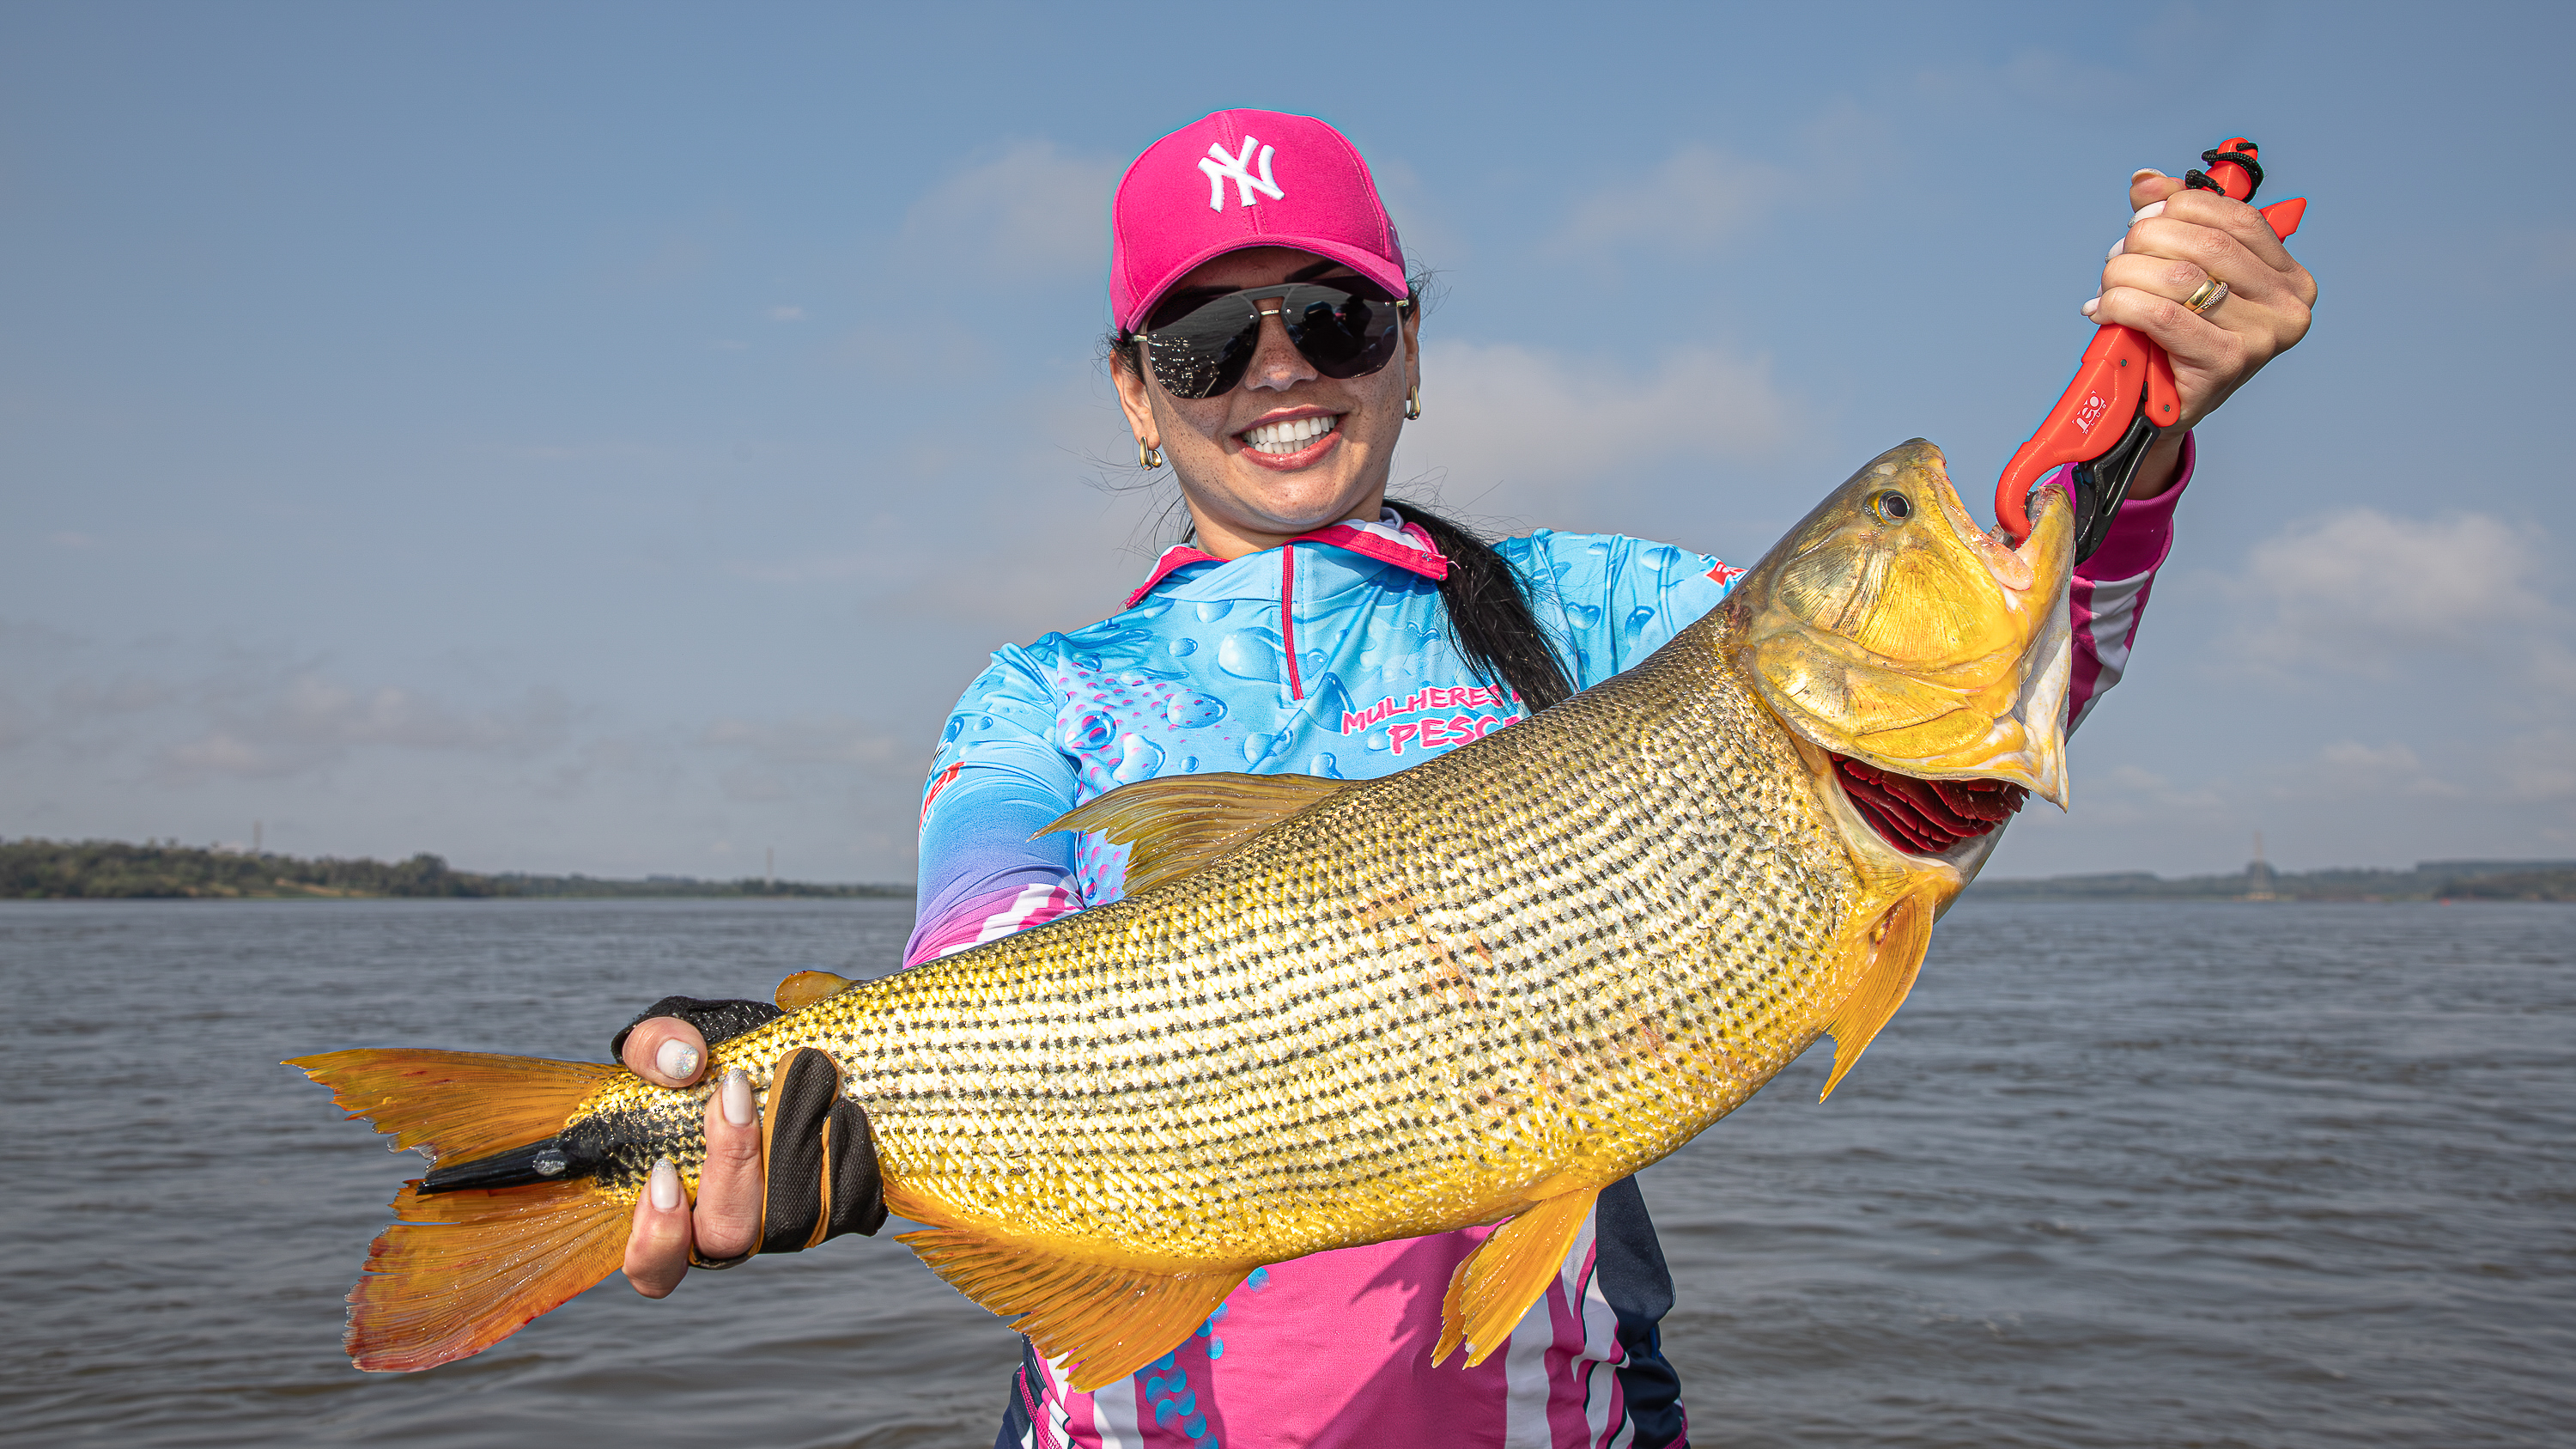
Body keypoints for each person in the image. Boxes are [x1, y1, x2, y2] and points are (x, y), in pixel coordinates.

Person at [610, 110, 2314, 1448]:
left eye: (1333, 317)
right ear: (1135, 395)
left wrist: (2151, 422)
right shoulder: (1043, 698)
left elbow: (1990, 677)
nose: (1280, 368)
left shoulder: (1600, 614)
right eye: (1209, 339)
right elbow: (979, 957)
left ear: (1412, 348)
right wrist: (764, 1085)